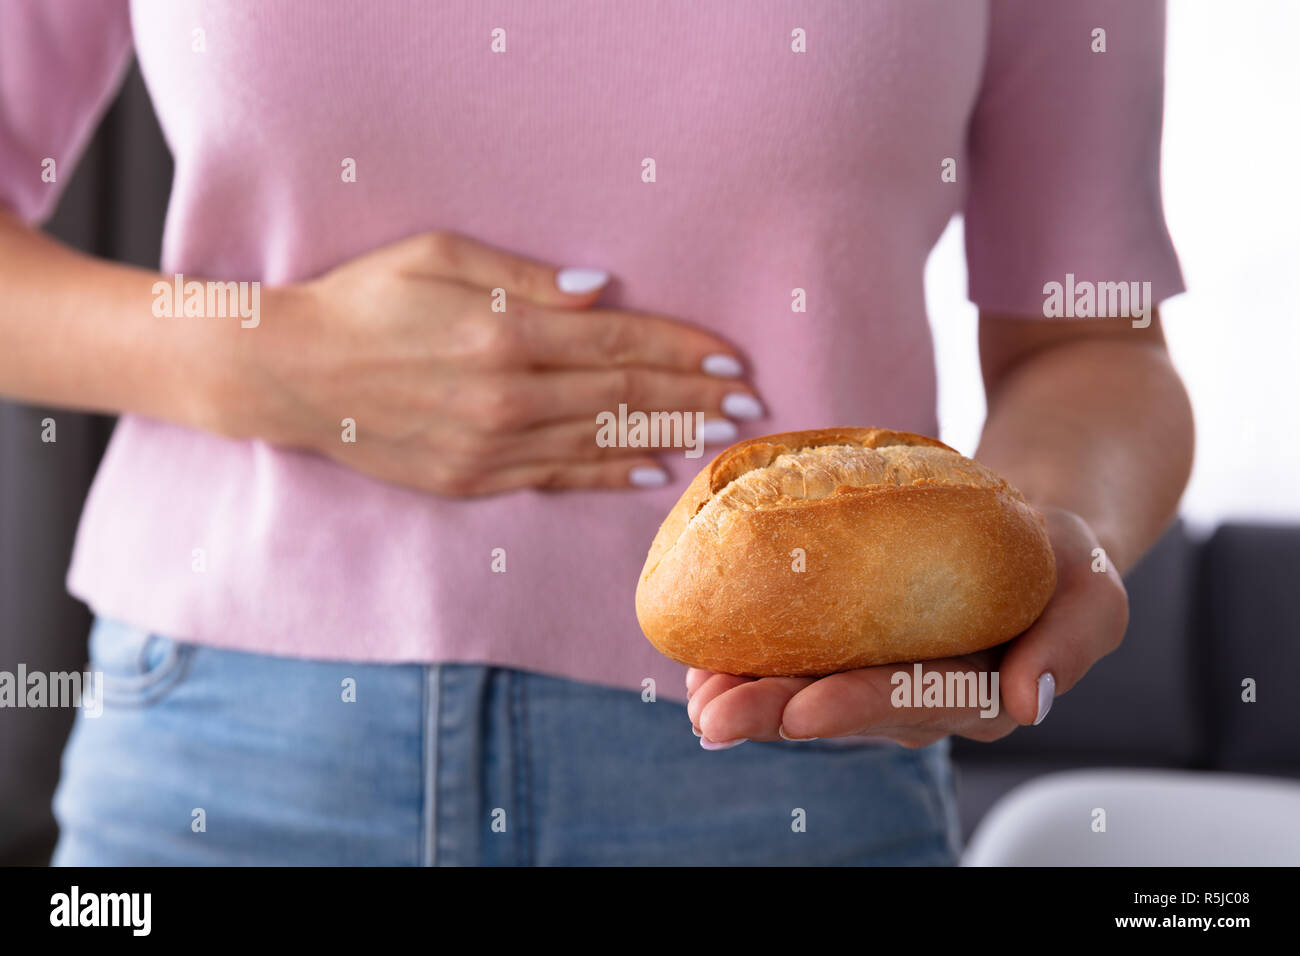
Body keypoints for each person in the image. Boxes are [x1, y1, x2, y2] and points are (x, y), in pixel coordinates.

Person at [0, 0, 1192, 865]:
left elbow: (1090, 340)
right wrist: (273, 358)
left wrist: (1032, 545)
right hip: (223, 745)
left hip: (787, 766)